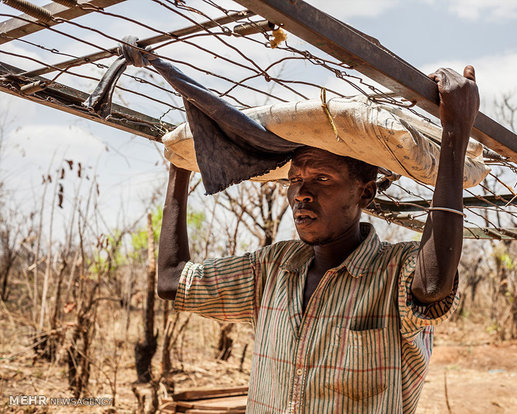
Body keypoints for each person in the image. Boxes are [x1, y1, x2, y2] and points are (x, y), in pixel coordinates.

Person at [157, 65, 479, 413]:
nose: (301, 194)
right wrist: (181, 165)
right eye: (295, 180)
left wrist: (455, 133)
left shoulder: (395, 271)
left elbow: (432, 285)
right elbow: (172, 280)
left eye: (322, 178)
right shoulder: (272, 269)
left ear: (365, 193)